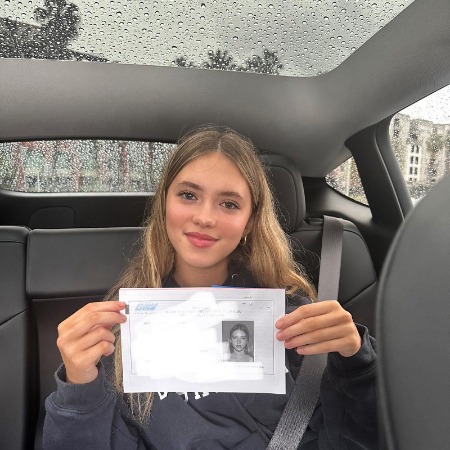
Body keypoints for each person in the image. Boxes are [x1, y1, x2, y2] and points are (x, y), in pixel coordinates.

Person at [44, 126, 377, 449]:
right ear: (164, 204)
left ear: (249, 221)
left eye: (229, 204)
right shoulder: (122, 329)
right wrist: (79, 387)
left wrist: (357, 364)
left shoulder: (294, 317)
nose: (205, 217)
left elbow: (361, 436)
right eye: (188, 195)